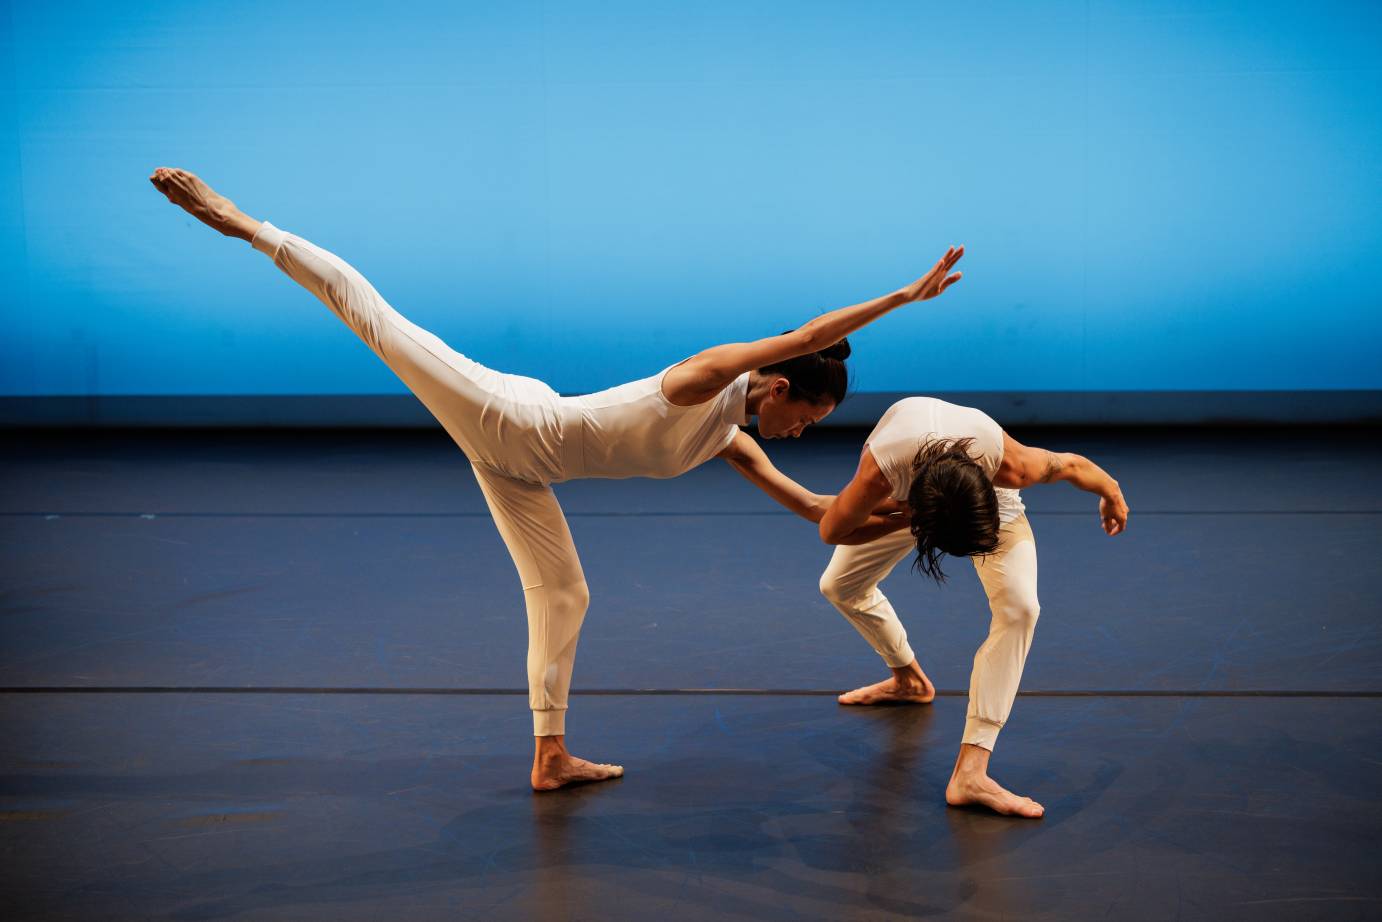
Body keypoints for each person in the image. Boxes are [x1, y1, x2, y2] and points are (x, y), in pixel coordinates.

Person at [148, 167, 966, 790]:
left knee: (565, 595)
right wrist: (903, 295)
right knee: (376, 319)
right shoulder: (703, 380)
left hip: (522, 470)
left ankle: (550, 756)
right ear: (784, 387)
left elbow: (819, 512)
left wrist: (915, 518)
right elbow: (811, 331)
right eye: (810, 421)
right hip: (508, 421)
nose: (802, 436)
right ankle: (239, 221)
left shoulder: (729, 439)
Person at [817, 396, 1129, 817]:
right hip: (913, 500)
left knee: (1021, 609)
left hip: (981, 501)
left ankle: (972, 772)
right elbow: (834, 529)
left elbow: (1069, 465)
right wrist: (905, 517)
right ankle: (909, 681)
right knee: (839, 585)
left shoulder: (1010, 464)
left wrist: (1111, 491)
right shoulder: (881, 473)